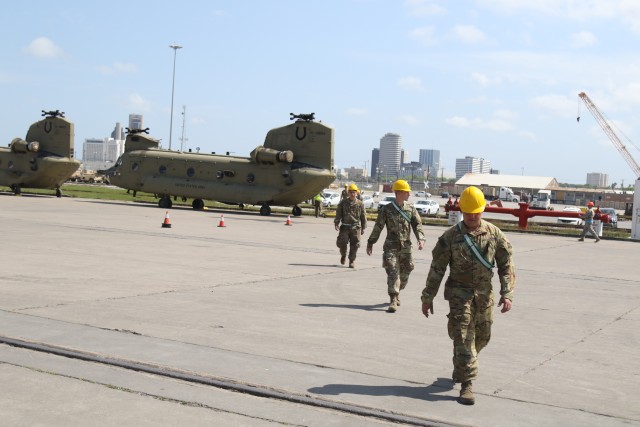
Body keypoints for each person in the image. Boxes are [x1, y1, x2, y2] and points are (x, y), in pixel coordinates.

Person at [420, 186, 516, 405]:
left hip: (484, 297)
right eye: (468, 212)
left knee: (482, 337)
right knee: (464, 338)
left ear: (482, 210)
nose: (472, 216)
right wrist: (428, 297)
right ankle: (467, 384)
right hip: (458, 296)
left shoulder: (494, 234)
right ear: (462, 210)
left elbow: (506, 264)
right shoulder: (450, 237)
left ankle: (463, 363)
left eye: (476, 212)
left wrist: (507, 293)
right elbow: (437, 269)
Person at [366, 179, 425, 312]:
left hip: (406, 247)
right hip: (390, 247)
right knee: (393, 272)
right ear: (399, 193)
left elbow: (417, 225)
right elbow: (378, 227)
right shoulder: (387, 210)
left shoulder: (410, 209)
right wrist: (371, 242)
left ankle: (398, 291)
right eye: (406, 192)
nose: (409, 194)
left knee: (407, 270)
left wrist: (421, 239)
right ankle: (393, 299)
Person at [334, 184, 367, 268]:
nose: (352, 194)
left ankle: (351, 260)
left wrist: (363, 227)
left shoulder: (360, 204)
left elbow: (363, 216)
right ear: (348, 193)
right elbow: (338, 213)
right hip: (345, 227)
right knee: (342, 243)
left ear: (357, 193)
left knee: (355, 245)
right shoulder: (343, 202)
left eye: (354, 192)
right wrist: (337, 222)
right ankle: (343, 255)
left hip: (355, 228)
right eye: (351, 192)